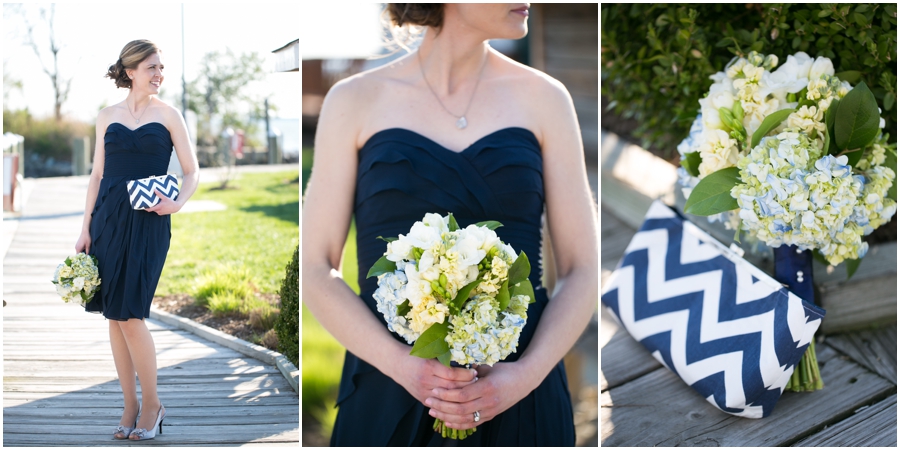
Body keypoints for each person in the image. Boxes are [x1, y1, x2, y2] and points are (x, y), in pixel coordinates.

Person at [302, 3, 598, 446]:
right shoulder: (353, 100)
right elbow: (315, 267)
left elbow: (582, 269)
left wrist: (521, 378)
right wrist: (406, 368)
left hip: (523, 395)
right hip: (388, 391)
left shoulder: (546, 98)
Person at [75, 39, 199, 441]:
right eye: (152, 68)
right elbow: (96, 175)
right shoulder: (106, 116)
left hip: (149, 219)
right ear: (130, 71)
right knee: (113, 314)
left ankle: (153, 404)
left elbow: (191, 171)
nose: (159, 75)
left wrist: (176, 203)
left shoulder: (169, 115)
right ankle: (129, 405)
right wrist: (85, 227)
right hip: (108, 218)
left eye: (161, 68)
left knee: (131, 313)